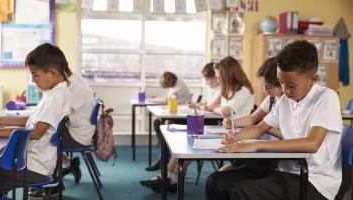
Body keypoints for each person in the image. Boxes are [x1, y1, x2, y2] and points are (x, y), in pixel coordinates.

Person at [206, 40, 342, 200]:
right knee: (216, 181)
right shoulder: (284, 101)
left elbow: (311, 144)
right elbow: (260, 127)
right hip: (283, 172)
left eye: (291, 85)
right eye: (281, 83)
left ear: (313, 79)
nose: (285, 90)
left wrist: (257, 144)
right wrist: (235, 138)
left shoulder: (326, 97)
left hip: (314, 181)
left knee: (243, 191)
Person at [0, 43, 70, 196]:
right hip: (30, 162)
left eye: (35, 75)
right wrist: (2, 120)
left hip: (34, 167)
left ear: (52, 74)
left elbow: (36, 132)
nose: (34, 81)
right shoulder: (52, 92)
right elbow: (33, 120)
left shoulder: (56, 97)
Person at [141, 63, 221, 192]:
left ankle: (168, 176)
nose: (206, 82)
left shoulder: (221, 89)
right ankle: (168, 177)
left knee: (183, 139)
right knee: (166, 125)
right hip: (203, 121)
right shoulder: (214, 89)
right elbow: (208, 105)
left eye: (208, 79)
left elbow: (210, 107)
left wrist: (202, 106)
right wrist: (199, 105)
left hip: (210, 125)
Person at [219, 57, 283, 171]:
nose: (265, 90)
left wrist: (266, 127)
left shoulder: (287, 102)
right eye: (263, 86)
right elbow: (253, 119)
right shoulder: (272, 98)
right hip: (264, 146)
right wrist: (232, 122)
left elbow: (288, 136)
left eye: (269, 87)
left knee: (226, 171)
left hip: (275, 152)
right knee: (226, 169)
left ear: (281, 83)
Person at [145, 71, 191, 172]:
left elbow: (167, 100)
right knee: (157, 123)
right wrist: (155, 99)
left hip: (183, 118)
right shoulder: (176, 84)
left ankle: (164, 156)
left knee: (164, 124)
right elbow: (168, 99)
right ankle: (164, 154)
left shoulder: (179, 87)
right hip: (177, 113)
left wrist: (153, 99)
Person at [59, 66, 96, 184]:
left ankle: (55, 181)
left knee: (45, 138)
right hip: (82, 131)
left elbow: (60, 114)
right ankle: (67, 165)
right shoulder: (77, 80)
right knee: (49, 134)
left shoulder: (75, 88)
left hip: (79, 137)